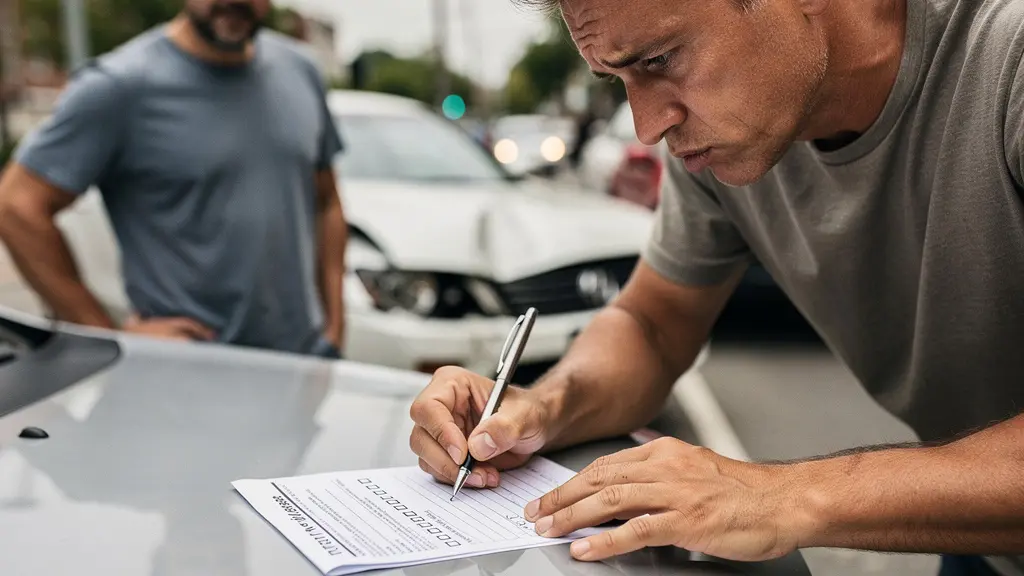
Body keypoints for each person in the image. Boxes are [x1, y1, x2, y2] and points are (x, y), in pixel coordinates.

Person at [407, 0, 1024, 574]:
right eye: (619, 79)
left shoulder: (1008, 57)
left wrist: (776, 495)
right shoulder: (728, 141)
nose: (648, 127)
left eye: (660, 60)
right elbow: (654, 324)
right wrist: (541, 409)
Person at [0, 0, 347, 359]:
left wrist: (334, 329)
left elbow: (326, 201)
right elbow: (15, 207)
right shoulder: (119, 86)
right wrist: (106, 339)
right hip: (184, 374)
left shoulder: (300, 69)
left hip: (302, 362)